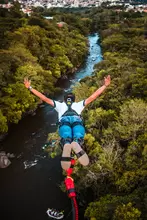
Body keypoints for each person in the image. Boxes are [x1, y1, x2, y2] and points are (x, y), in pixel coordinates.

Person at [24, 75, 111, 170]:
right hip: (76, 120)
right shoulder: (79, 104)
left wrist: (30, 88)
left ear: (64, 100)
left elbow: (44, 99)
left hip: (64, 120)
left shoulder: (59, 105)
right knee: (78, 132)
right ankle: (77, 141)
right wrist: (105, 86)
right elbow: (93, 97)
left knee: (66, 135)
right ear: (73, 100)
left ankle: (66, 142)